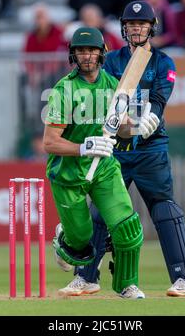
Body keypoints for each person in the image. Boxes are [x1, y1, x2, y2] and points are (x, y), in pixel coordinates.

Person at [60, 1, 185, 297]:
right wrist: (118, 124)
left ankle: (182, 278)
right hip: (116, 150)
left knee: (165, 211)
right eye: (132, 25)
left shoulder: (163, 62)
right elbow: (102, 97)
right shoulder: (111, 61)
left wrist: (150, 118)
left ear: (152, 27)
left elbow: (159, 98)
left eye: (142, 25)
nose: (136, 29)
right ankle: (87, 276)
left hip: (151, 149)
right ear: (124, 28)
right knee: (99, 213)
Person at [43, 26, 146, 299]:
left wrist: (135, 125)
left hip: (103, 168)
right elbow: (49, 142)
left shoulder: (113, 86)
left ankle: (127, 283)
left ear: (101, 54)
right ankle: (66, 237)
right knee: (82, 242)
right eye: (81, 51)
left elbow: (121, 129)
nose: (86, 56)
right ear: (73, 55)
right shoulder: (64, 90)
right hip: (67, 174)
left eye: (91, 51)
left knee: (127, 226)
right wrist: (82, 147)